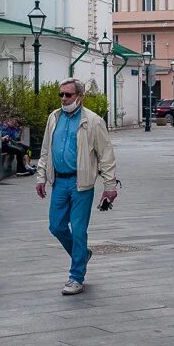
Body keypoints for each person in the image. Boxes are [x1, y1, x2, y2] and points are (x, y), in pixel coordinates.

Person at [35, 78, 118, 295]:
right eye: (61, 94)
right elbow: (46, 150)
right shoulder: (53, 118)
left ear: (79, 96)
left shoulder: (93, 121)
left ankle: (76, 277)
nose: (63, 98)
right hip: (59, 182)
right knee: (56, 226)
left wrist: (110, 185)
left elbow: (106, 155)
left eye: (68, 95)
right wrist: (40, 177)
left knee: (79, 230)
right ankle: (81, 254)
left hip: (81, 183)